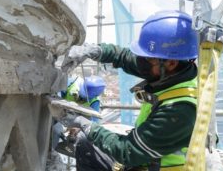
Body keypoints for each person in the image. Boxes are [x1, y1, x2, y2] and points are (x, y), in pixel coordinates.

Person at [55, 10, 199, 171]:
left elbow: (127, 151)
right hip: (147, 160)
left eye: (147, 58)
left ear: (171, 63)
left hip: (154, 166)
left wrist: (84, 124)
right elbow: (123, 56)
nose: (140, 62)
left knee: (87, 139)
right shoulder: (170, 72)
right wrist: (94, 50)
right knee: (86, 144)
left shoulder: (179, 109)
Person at [52, 75, 106, 156]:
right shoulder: (70, 83)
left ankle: (75, 151)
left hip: (75, 121)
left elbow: (93, 123)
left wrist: (78, 129)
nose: (80, 98)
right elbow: (55, 96)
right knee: (56, 129)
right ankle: (51, 151)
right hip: (59, 113)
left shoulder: (94, 102)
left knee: (83, 139)